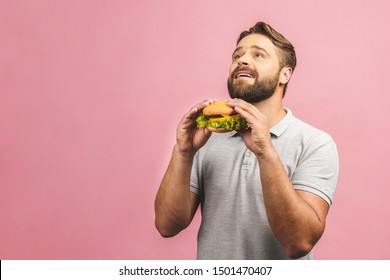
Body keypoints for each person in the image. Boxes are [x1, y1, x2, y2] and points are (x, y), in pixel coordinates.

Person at [154, 21, 339, 260]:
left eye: (258, 55)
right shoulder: (207, 138)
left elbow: (299, 242)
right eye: (237, 55)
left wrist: (266, 153)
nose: (242, 60)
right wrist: (183, 152)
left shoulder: (315, 143)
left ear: (285, 74)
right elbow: (167, 225)